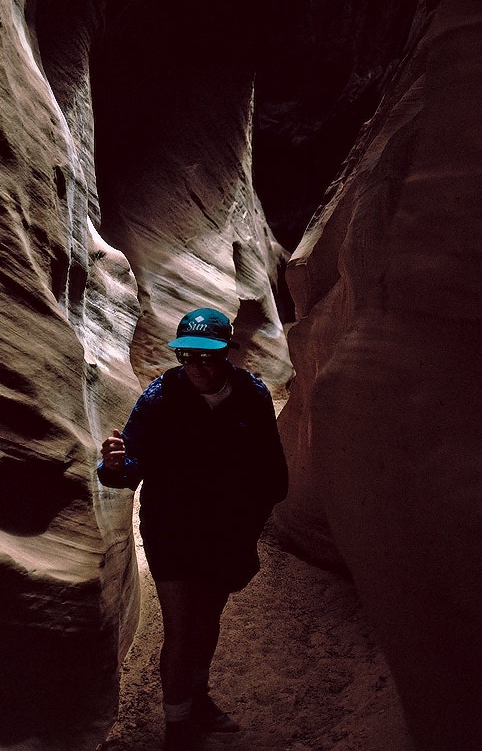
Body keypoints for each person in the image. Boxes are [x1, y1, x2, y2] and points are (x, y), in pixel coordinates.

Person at [98, 307, 288, 751]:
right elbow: (129, 467)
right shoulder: (160, 398)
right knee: (182, 629)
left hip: (226, 534)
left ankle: (197, 702)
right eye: (187, 356)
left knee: (207, 623)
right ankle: (178, 726)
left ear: (227, 355)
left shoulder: (251, 395)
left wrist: (250, 525)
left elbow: (272, 473)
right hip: (173, 531)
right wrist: (115, 465)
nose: (196, 366)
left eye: (207, 357)